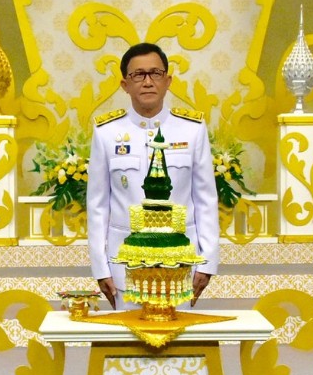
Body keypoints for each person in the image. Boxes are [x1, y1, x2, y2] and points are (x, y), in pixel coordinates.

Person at [87, 42, 218, 309]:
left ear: (168, 81)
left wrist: (207, 262)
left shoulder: (192, 129)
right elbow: (98, 205)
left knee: (180, 336)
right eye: (138, 75)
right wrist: (101, 267)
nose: (148, 82)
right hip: (125, 266)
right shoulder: (107, 132)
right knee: (127, 335)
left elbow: (205, 199)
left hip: (180, 264)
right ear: (125, 84)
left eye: (155, 73)